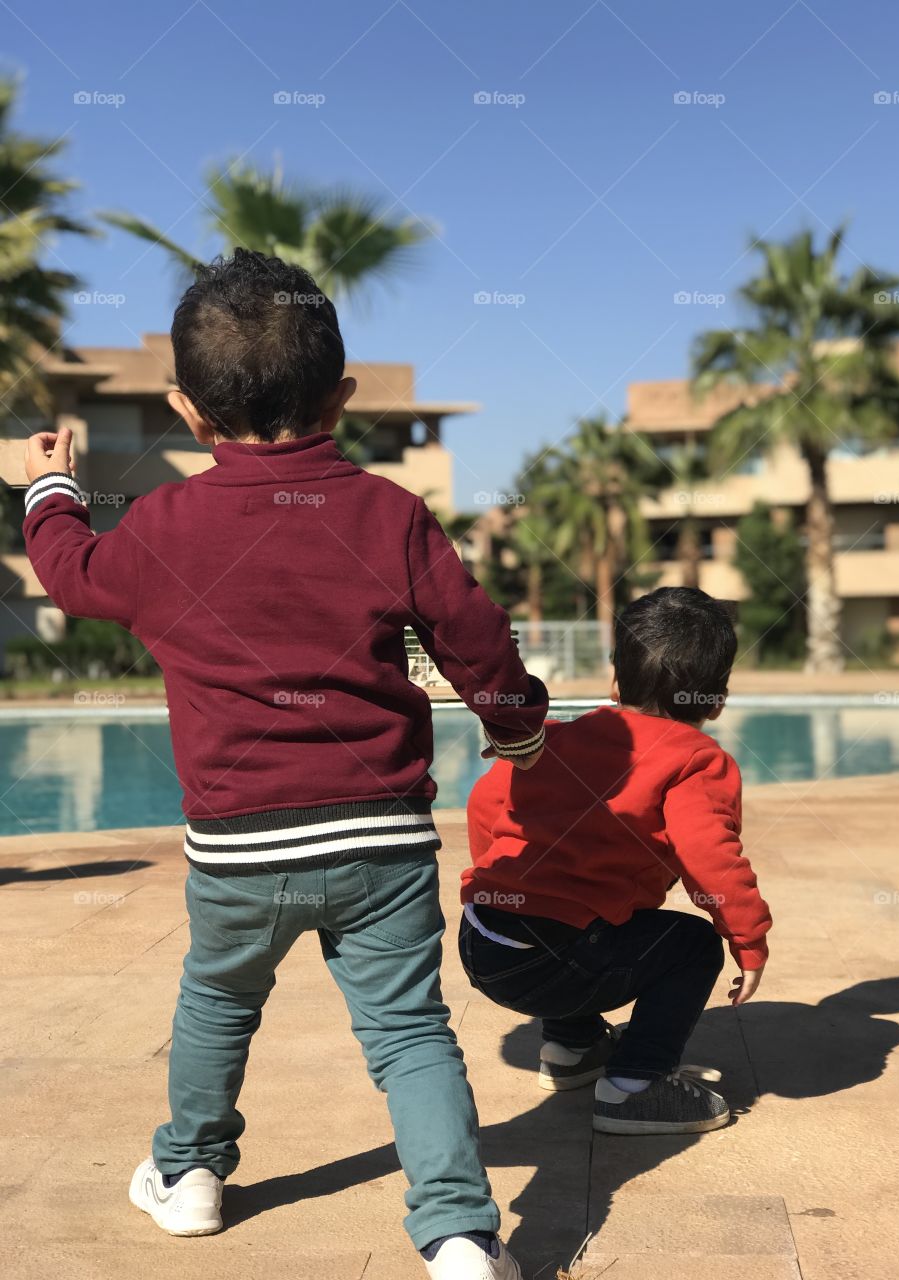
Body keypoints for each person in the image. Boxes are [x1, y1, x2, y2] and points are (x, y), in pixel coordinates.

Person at [22, 248, 548, 1280]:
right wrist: (516, 726)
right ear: (341, 397)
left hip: (237, 845)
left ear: (187, 409)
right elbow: (475, 638)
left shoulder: (168, 525)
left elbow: (71, 574)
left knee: (218, 1002)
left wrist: (49, 483)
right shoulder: (388, 513)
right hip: (382, 836)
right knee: (407, 1031)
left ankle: (191, 1175)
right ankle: (457, 1234)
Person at [460, 586, 771, 1135]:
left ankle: (572, 1048)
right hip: (554, 957)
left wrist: (504, 882)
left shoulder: (550, 741)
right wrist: (747, 938)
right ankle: (634, 1087)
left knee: (587, 917)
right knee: (690, 945)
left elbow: (486, 804)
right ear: (717, 699)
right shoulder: (695, 760)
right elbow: (710, 860)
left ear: (614, 680)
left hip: (483, 939)